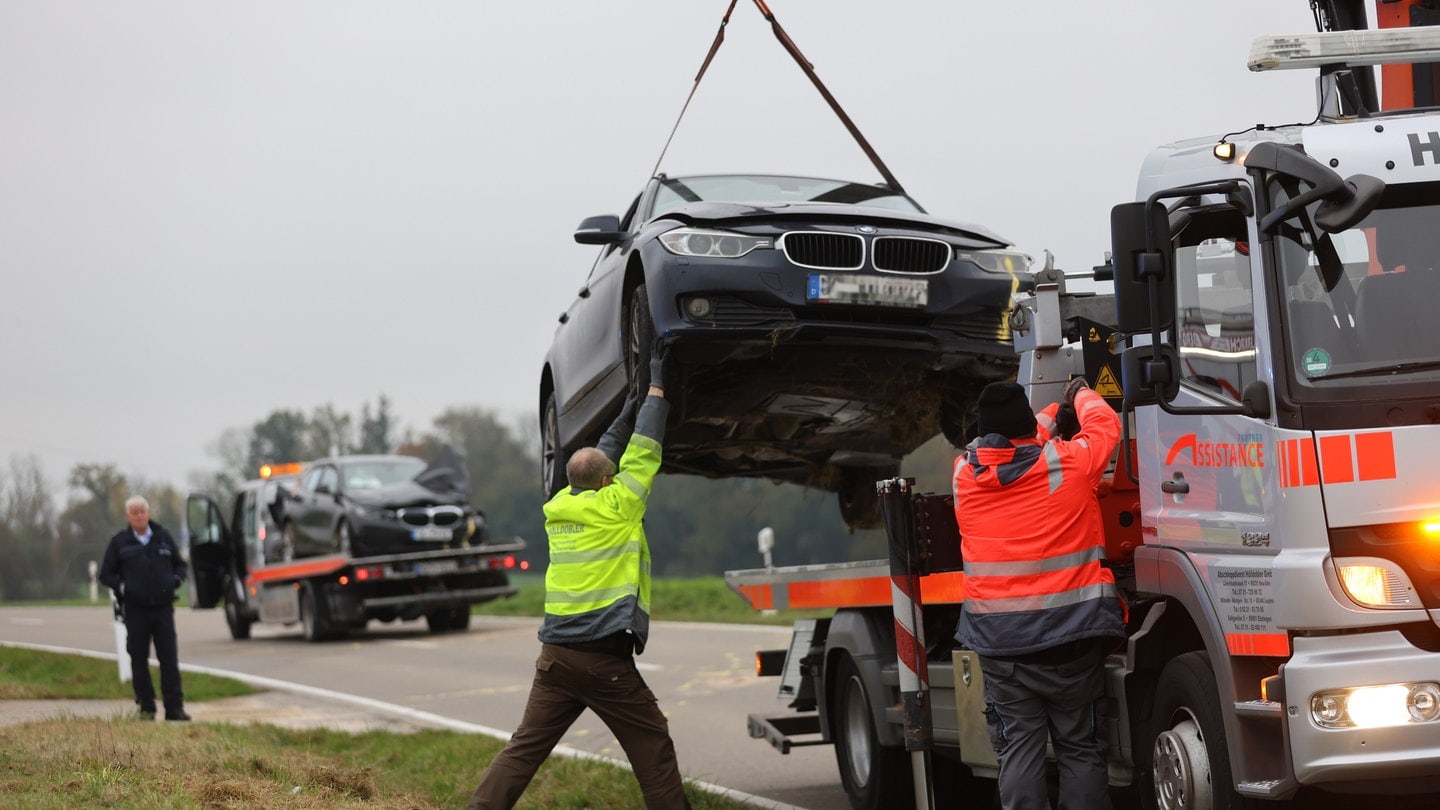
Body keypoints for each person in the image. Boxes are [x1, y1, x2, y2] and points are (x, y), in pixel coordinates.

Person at [468, 343, 690, 810]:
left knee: (524, 750)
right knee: (653, 746)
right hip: (601, 658)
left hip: (555, 660)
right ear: (609, 482)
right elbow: (645, 447)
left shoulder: (559, 507)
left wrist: (629, 405)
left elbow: (600, 456)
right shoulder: (620, 505)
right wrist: (655, 389)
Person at [952, 378, 1123, 810]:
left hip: (1001, 648)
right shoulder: (1067, 465)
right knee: (1080, 751)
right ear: (1028, 429)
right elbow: (1105, 427)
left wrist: (1048, 414)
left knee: (1018, 755)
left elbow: (1017, 445)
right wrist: (1079, 393)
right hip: (1070, 644)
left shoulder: (964, 477)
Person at [98, 495, 190, 722]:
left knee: (169, 659)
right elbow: (106, 574)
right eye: (134, 513)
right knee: (138, 659)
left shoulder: (163, 537)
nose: (139, 516)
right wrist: (123, 586)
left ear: (148, 514)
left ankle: (174, 708)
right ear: (128, 516)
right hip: (136, 610)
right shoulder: (120, 543)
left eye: (142, 512)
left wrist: (175, 580)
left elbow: (180, 565)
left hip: (163, 609)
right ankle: (147, 708)